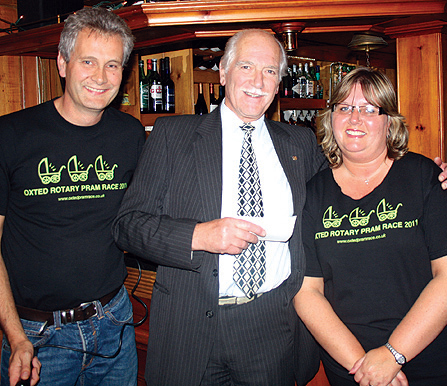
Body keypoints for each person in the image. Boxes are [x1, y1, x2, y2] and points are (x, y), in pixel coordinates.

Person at [112, 29, 325, 386]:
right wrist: (198, 235)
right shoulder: (172, 136)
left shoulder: (300, 143)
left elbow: (344, 194)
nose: (258, 81)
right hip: (189, 324)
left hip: (270, 325)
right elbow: (127, 225)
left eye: (270, 71)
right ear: (224, 73)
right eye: (246, 66)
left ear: (278, 83)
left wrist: (424, 178)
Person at [0, 7, 146, 386]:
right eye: (88, 61)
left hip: (114, 322)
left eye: (113, 65)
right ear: (63, 63)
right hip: (36, 336)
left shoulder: (131, 135)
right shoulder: (10, 135)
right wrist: (16, 338)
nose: (101, 77)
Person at [293, 67, 447, 386]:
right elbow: (307, 292)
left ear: (389, 121)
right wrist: (365, 367)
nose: (354, 119)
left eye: (368, 109)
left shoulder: (424, 178)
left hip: (427, 361)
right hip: (350, 368)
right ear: (330, 117)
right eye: (345, 108)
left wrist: (392, 355)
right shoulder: (312, 193)